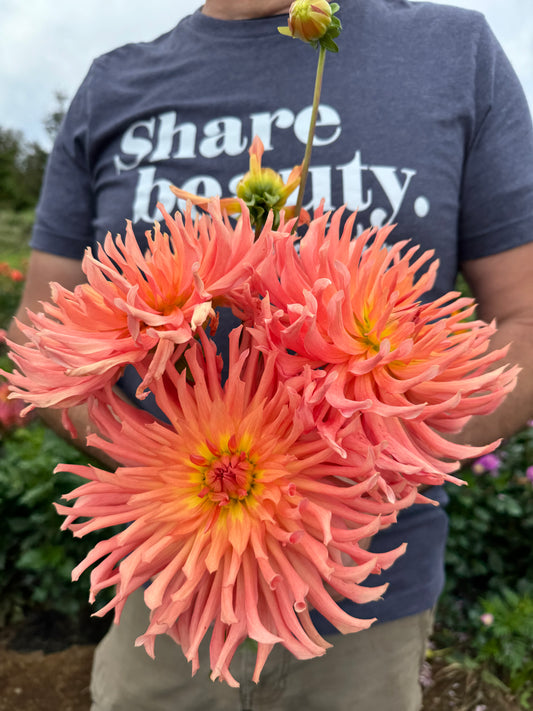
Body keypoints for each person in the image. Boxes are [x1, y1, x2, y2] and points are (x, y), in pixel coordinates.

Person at [8, 1, 533, 709]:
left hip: (368, 606)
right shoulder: (113, 82)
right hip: (168, 585)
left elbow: (524, 317)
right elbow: (40, 337)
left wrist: (380, 450)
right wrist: (139, 457)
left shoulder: (453, 51)